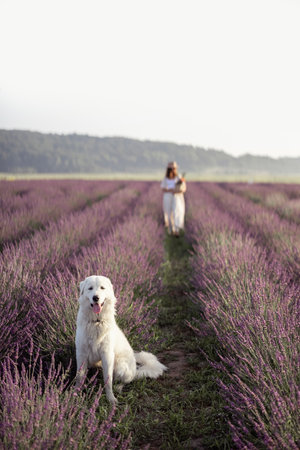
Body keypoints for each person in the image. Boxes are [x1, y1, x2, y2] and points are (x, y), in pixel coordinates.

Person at [161, 161, 186, 236]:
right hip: (168, 196)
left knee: (177, 212)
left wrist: (178, 191)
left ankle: (177, 230)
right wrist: (170, 190)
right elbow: (163, 188)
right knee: (168, 213)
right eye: (171, 168)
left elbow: (184, 188)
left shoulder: (179, 177)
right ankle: (171, 229)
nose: (172, 170)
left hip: (177, 196)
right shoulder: (166, 178)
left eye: (174, 168)